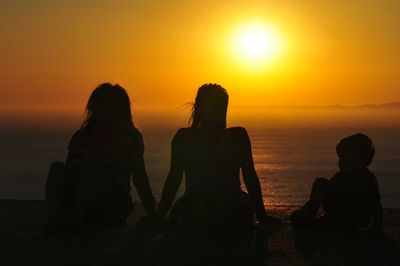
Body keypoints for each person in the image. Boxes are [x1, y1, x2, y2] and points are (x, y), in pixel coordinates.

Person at [156, 83, 279, 238]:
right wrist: (262, 217)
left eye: (221, 106)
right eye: (215, 105)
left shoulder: (236, 136)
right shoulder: (185, 138)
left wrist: (262, 217)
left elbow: (250, 176)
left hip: (213, 208)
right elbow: (173, 179)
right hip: (211, 206)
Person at [44, 83, 155, 233]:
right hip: (79, 197)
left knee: (94, 166)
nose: (95, 107)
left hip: (112, 202)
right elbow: (69, 168)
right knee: (57, 168)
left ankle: (75, 218)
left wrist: (152, 213)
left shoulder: (130, 136)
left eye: (103, 103)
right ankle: (57, 217)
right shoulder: (81, 136)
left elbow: (139, 177)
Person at [291, 133, 383, 231]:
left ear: (362, 160)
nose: (340, 161)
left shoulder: (368, 179)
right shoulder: (340, 177)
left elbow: (376, 204)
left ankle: (313, 218)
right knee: (321, 183)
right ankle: (310, 214)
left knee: (322, 187)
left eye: (345, 158)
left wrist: (377, 228)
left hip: (353, 218)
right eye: (340, 158)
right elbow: (326, 194)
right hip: (339, 214)